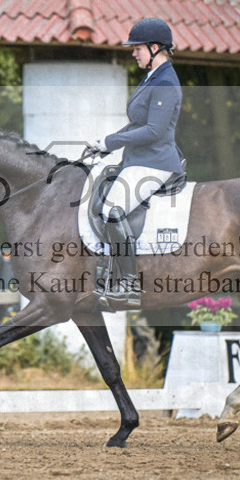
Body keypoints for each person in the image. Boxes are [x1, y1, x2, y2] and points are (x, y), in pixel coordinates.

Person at [90, 17, 184, 309]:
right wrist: (104, 143)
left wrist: (113, 142)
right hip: (139, 159)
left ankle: (129, 285)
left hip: (156, 162)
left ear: (155, 48)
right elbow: (136, 123)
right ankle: (106, 270)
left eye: (138, 48)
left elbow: (154, 131)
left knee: (112, 209)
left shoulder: (166, 81)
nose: (133, 53)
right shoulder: (152, 76)